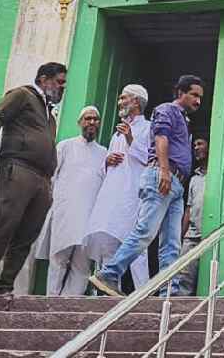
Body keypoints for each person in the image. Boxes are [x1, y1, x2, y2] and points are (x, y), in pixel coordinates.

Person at [89, 75, 204, 297]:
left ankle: (168, 290)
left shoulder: (183, 119)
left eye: (200, 97)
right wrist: (163, 171)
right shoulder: (167, 110)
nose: (198, 101)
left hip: (177, 184)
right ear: (181, 93)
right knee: (145, 231)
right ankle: (109, 274)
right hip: (163, 176)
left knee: (171, 243)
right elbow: (161, 139)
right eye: (194, 95)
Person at [0, 62, 67, 295]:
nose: (62, 87)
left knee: (28, 234)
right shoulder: (22, 95)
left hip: (42, 179)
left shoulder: (49, 115)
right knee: (6, 224)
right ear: (43, 79)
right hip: (18, 168)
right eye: (59, 82)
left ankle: (5, 285)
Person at [84, 84, 152, 289]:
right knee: (108, 239)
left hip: (133, 195)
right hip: (112, 194)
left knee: (135, 244)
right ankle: (108, 291)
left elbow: (150, 159)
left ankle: (143, 292)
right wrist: (107, 161)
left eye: (124, 98)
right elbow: (106, 170)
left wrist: (131, 138)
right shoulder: (115, 135)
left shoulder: (148, 128)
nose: (119, 102)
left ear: (137, 102)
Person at [36, 106, 107, 296]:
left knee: (82, 265)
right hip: (65, 211)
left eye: (95, 119)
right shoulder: (65, 146)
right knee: (59, 257)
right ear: (80, 122)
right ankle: (52, 299)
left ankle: (70, 300)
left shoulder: (104, 153)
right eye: (87, 119)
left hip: (89, 214)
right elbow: (51, 176)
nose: (92, 122)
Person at [173, 138, 208, 296]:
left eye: (200, 144)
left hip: (212, 233)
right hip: (192, 236)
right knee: (183, 277)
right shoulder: (194, 179)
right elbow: (189, 209)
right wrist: (181, 235)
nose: (196, 148)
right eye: (194, 145)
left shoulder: (218, 174)